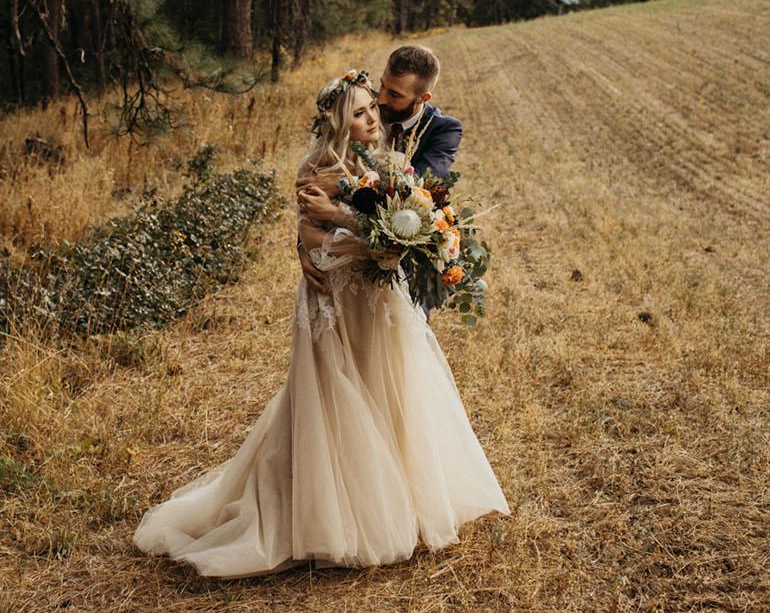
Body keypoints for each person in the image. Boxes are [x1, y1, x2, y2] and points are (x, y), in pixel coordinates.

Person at [131, 68, 510, 579]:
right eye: (360, 112)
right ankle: (331, 514)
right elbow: (314, 240)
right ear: (338, 123)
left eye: (374, 108)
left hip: (380, 300)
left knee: (390, 388)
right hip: (334, 297)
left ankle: (405, 497)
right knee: (335, 396)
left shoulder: (393, 163)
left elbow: (392, 240)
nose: (373, 116)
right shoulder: (315, 170)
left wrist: (346, 217)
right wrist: (333, 229)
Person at [298, 45, 463, 321]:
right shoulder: (368, 112)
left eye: (395, 94)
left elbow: (411, 194)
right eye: (382, 85)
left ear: (422, 97)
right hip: (350, 266)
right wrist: (306, 245)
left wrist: (338, 193)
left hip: (406, 260)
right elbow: (317, 180)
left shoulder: (443, 130)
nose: (382, 100)